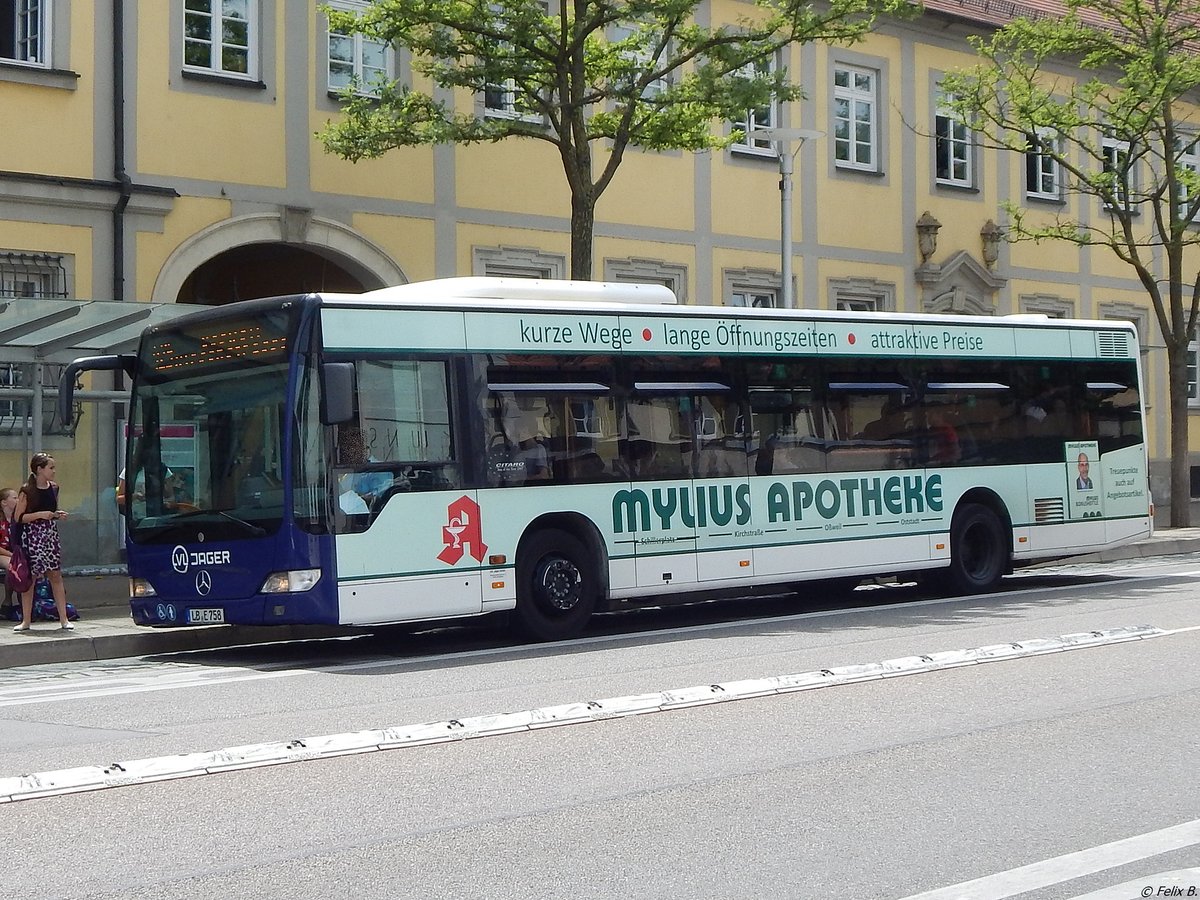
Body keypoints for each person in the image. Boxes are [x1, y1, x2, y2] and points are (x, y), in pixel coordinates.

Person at [12, 453, 73, 633]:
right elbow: (18, 517)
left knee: (55, 574)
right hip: (32, 536)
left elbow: (51, 509)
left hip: (50, 534)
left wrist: (56, 515)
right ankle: (26, 620)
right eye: (50, 468)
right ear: (39, 469)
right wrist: (40, 515)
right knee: (30, 578)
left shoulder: (54, 488)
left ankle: (64, 618)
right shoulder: (27, 491)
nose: (54, 471)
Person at [0, 487, 16, 616]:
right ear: (4, 502)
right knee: (12, 564)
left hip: (15, 553)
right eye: (14, 498)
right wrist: (12, 555)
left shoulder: (18, 520)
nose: (17, 500)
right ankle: (7, 600)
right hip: (2, 553)